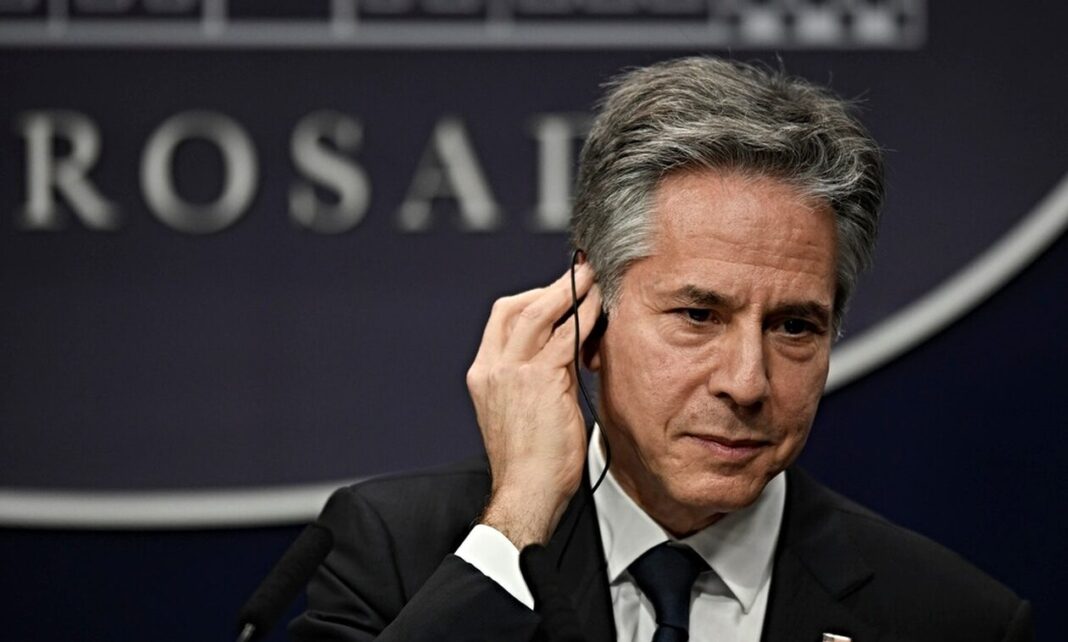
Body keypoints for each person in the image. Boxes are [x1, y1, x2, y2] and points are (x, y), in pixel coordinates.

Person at [290, 57, 1033, 641]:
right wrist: (516, 525)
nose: (747, 383)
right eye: (698, 315)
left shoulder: (950, 619)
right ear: (586, 319)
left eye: (794, 327)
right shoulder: (399, 554)